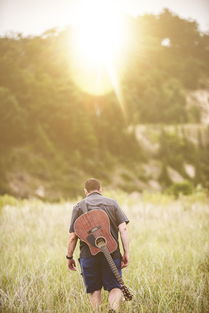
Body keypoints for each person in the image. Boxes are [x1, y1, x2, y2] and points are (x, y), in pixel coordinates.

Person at [67, 178, 130, 313]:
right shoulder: (112, 204)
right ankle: (113, 309)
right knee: (115, 287)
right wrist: (126, 253)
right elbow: (123, 229)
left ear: (85, 191)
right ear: (101, 189)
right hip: (112, 252)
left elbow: (73, 236)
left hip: (88, 255)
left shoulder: (78, 207)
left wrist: (69, 256)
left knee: (95, 289)